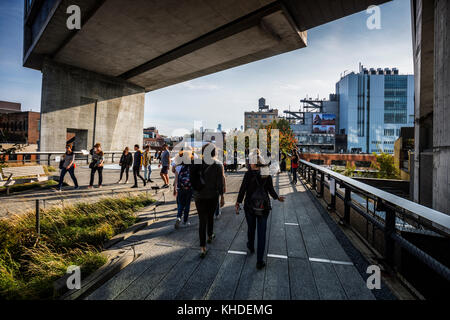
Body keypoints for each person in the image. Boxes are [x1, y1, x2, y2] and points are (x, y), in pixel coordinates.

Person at [235, 151, 285, 270]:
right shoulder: (266, 173)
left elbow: (242, 190)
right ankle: (259, 261)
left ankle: (251, 246)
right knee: (262, 233)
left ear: (253, 163)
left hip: (250, 206)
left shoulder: (248, 174)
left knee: (251, 228)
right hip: (263, 207)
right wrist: (277, 197)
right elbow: (270, 190)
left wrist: (238, 202)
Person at [191, 143, 225, 258]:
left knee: (202, 220)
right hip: (212, 195)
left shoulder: (197, 163)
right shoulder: (218, 165)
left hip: (199, 195)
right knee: (210, 216)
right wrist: (222, 197)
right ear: (214, 152)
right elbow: (220, 183)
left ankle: (202, 247)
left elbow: (192, 178)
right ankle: (210, 235)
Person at [173, 150, 193, 229]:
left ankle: (178, 217)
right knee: (187, 205)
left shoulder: (178, 167)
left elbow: (176, 179)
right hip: (189, 188)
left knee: (181, 204)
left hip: (180, 188)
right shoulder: (191, 167)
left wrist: (175, 189)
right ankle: (185, 221)